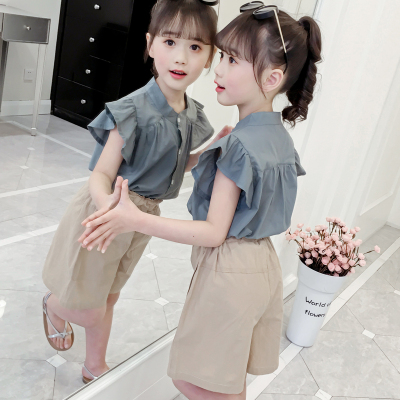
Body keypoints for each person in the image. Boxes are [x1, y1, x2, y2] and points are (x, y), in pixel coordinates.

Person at [79, 2, 322, 398]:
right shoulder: (278, 136)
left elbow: (213, 232)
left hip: (229, 273)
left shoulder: (239, 144)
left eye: (233, 60)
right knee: (225, 380)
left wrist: (134, 218)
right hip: (264, 266)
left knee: (193, 380)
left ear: (272, 77)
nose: (218, 69)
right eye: (221, 56)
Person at [41, 0, 228, 384]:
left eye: (195, 47)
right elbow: (101, 174)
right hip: (108, 212)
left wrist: (209, 152)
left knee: (109, 295)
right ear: (150, 44)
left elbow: (175, 166)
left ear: (210, 57)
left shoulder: (191, 113)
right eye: (170, 42)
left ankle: (94, 364)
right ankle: (53, 305)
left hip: (143, 218)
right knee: (89, 305)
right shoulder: (133, 109)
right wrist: (109, 208)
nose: (181, 57)